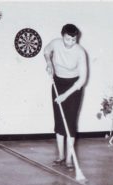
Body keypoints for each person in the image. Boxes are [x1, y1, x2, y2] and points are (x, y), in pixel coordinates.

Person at [43, 24, 87, 171]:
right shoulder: (56, 43)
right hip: (58, 83)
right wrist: (49, 62)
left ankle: (69, 158)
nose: (70, 43)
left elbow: (82, 80)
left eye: (73, 40)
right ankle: (61, 156)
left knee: (70, 121)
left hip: (74, 87)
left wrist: (65, 96)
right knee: (59, 119)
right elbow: (46, 50)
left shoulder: (80, 52)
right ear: (63, 36)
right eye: (67, 39)